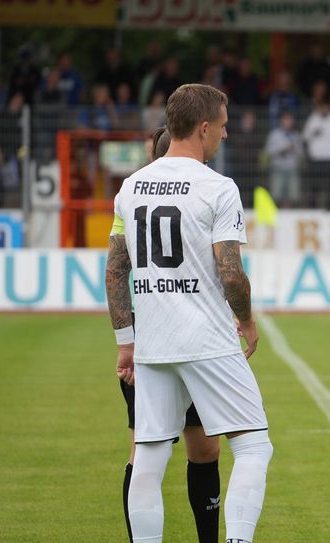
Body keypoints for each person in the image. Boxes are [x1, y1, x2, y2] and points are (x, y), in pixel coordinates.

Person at [105, 83, 272, 543]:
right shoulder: (218, 187)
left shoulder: (131, 187)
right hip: (207, 338)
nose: (223, 135)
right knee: (254, 445)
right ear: (202, 128)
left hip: (154, 343)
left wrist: (126, 342)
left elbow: (115, 270)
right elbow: (231, 274)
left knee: (150, 455)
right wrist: (247, 319)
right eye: (221, 127)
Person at [118, 126, 222, 543]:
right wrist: (127, 339)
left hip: (187, 336)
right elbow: (116, 269)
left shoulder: (149, 193)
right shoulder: (135, 197)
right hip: (163, 339)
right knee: (144, 452)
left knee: (204, 449)